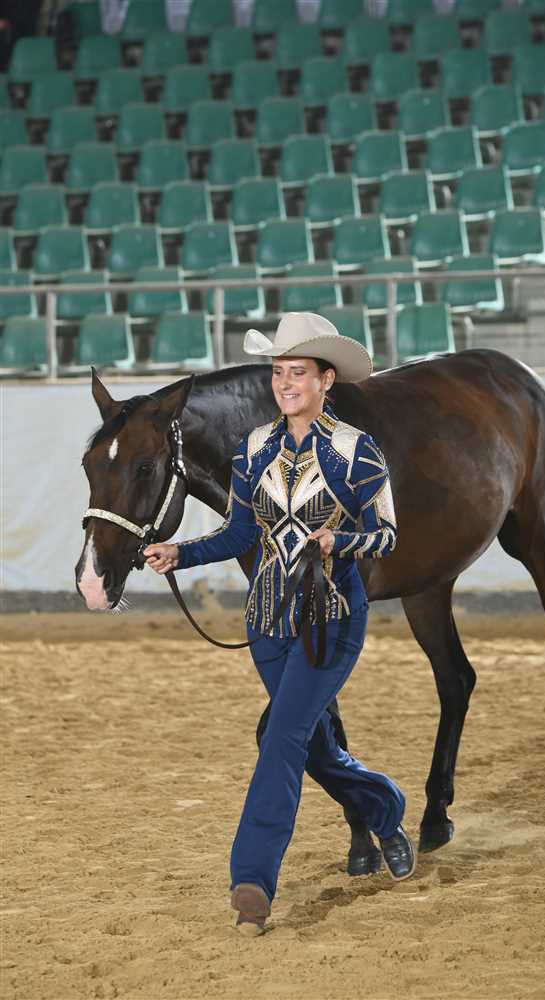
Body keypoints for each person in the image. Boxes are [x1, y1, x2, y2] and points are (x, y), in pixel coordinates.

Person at [144, 312, 415, 934]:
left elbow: (386, 535)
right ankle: (384, 808)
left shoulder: (358, 451)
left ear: (326, 380)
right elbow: (239, 533)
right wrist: (181, 554)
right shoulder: (254, 447)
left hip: (331, 621)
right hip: (267, 622)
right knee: (307, 742)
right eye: (277, 372)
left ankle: (253, 881)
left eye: (298, 372)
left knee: (282, 739)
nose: (285, 383)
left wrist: (340, 541)